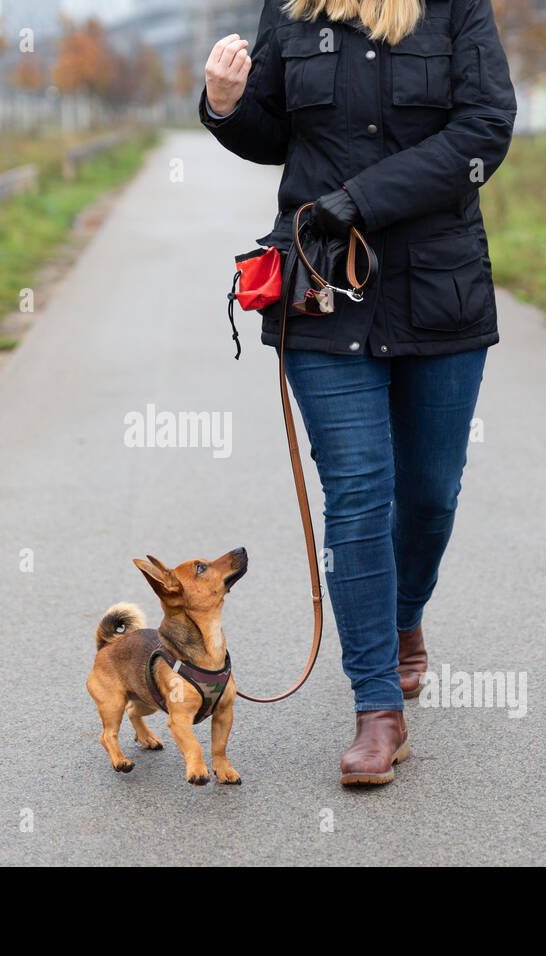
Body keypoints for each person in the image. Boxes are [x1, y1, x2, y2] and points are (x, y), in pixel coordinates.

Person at [199, 0, 516, 786]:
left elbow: (484, 130)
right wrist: (226, 104)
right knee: (358, 490)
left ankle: (405, 612)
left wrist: (364, 201)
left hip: (438, 289)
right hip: (320, 289)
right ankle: (377, 708)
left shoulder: (455, 10)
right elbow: (276, 134)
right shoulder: (292, 10)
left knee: (432, 493)